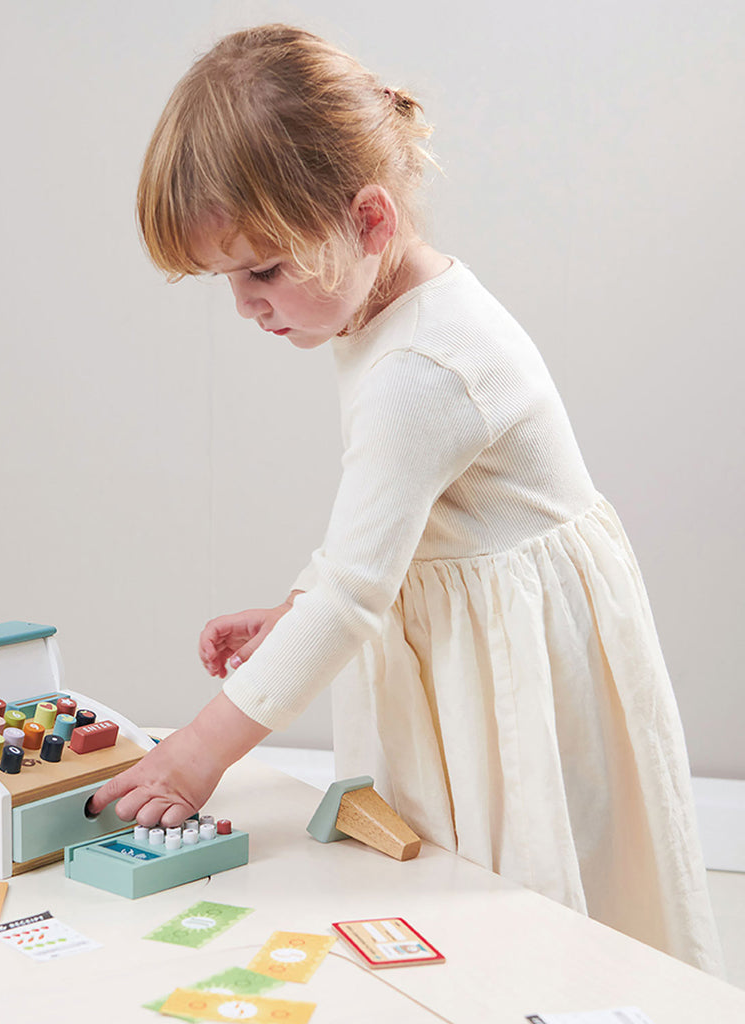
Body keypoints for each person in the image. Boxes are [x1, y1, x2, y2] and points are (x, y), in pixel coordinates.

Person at [88, 23, 723, 974]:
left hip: (520, 660)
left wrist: (193, 755)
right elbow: (388, 539)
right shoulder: (385, 308)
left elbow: (355, 590)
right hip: (482, 629)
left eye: (261, 270)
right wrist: (293, 614)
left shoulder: (421, 368)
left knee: (538, 893)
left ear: (370, 221)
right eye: (226, 280)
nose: (247, 306)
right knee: (460, 878)